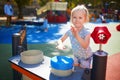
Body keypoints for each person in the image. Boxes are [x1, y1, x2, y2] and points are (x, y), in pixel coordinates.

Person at [56, 5, 93, 69]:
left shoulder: (86, 32)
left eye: (80, 18)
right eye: (74, 17)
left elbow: (85, 45)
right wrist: (60, 44)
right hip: (76, 56)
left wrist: (76, 35)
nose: (77, 20)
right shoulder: (70, 31)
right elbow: (60, 40)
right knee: (75, 70)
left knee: (84, 73)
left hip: (85, 58)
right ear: (71, 18)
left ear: (85, 19)